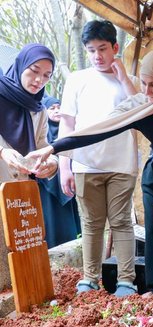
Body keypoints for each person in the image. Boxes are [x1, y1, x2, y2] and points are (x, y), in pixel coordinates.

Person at [27, 51, 153, 293]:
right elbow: (98, 130)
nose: (147, 91)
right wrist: (52, 148)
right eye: (143, 83)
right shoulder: (140, 105)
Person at [59, 20, 139, 297]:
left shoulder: (131, 81)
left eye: (103, 49)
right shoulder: (77, 79)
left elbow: (142, 110)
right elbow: (67, 125)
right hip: (84, 162)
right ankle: (89, 279)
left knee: (121, 222)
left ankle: (127, 281)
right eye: (91, 50)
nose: (97, 56)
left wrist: (124, 78)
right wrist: (64, 166)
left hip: (122, 163)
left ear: (115, 48)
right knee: (91, 224)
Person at [0, 44, 59, 290]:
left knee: (22, 254)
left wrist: (52, 165)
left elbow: (45, 145)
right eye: (34, 70)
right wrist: (3, 150)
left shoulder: (39, 108)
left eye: (46, 76)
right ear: (21, 65)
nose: (39, 80)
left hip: (22, 195)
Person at [38, 95, 81, 248]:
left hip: (69, 182)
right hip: (47, 186)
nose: (57, 111)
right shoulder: (41, 133)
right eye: (52, 108)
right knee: (50, 219)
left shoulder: (71, 131)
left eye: (59, 107)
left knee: (67, 224)